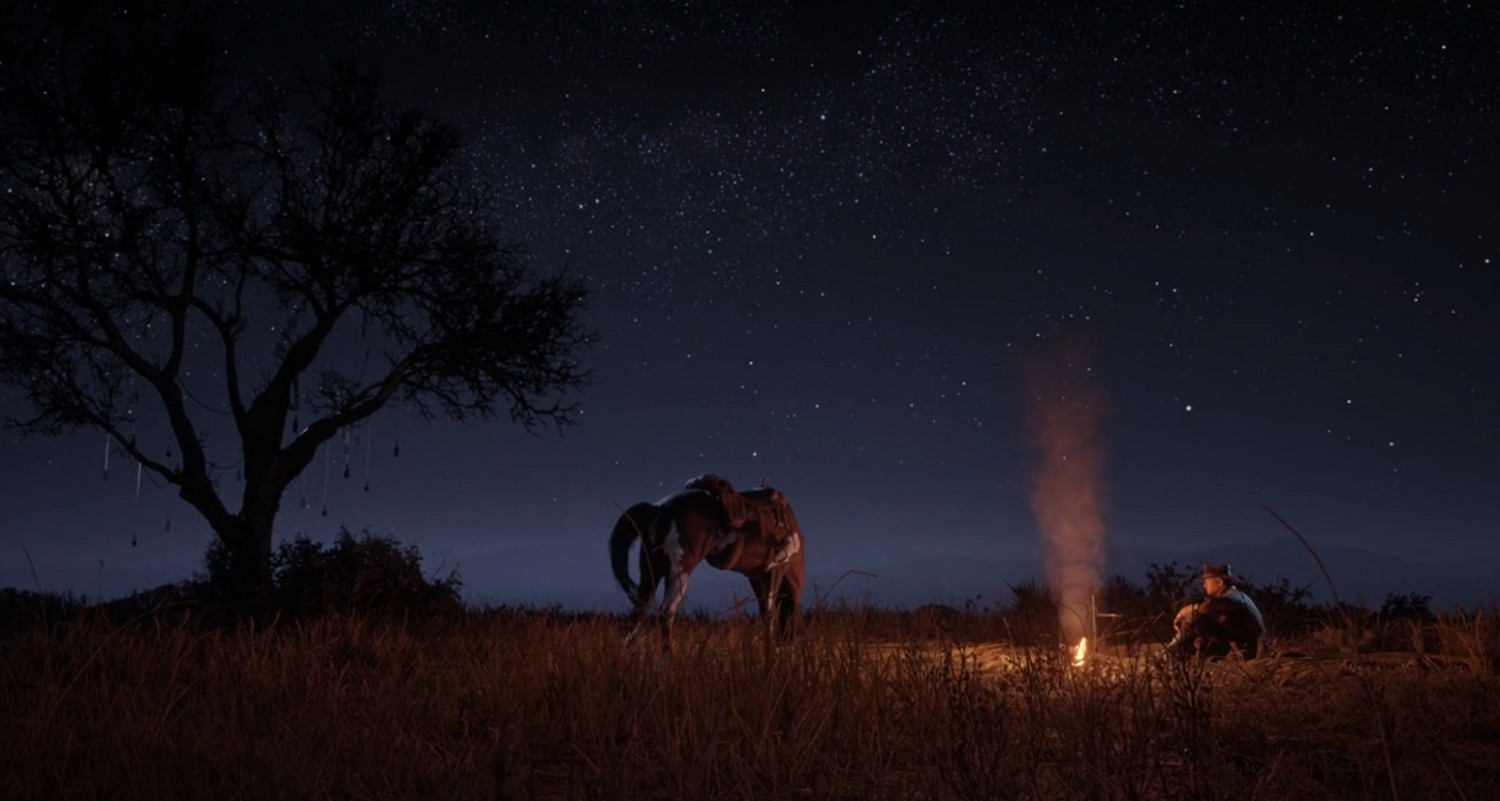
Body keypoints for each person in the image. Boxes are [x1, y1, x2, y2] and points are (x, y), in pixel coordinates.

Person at [1168, 563, 1267, 658]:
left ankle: (1171, 651)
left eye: (1206, 582)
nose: (1204, 586)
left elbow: (1208, 606)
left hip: (1251, 651)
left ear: (1219, 582)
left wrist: (1183, 612)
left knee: (1194, 620)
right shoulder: (1237, 597)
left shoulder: (1233, 597)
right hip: (1249, 646)